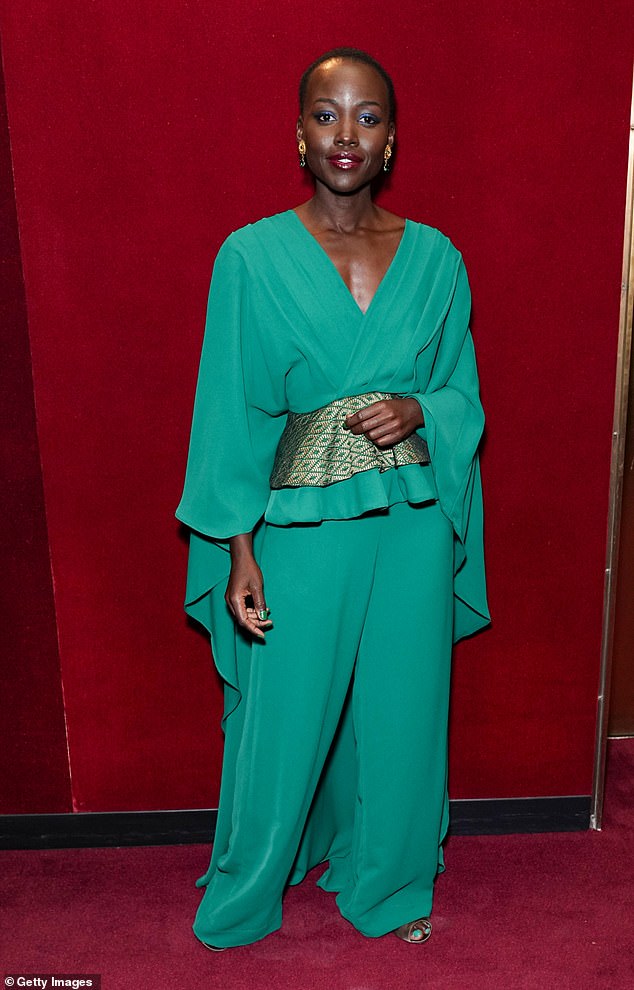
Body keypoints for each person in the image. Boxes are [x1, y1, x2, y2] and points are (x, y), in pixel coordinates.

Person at [176, 47, 489, 950]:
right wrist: (238, 547)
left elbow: (465, 396)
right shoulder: (250, 256)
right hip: (298, 525)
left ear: (390, 140)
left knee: (404, 705)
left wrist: (420, 407)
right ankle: (251, 885)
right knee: (285, 707)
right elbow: (229, 409)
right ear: (299, 133)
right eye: (326, 114)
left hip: (413, 523)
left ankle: (387, 881)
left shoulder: (437, 260)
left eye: (366, 117)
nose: (345, 134)